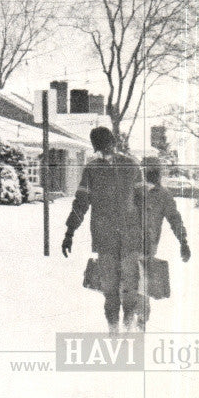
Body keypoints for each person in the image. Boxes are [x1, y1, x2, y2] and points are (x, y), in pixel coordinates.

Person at [61, 127, 143, 333]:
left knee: (127, 288)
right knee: (112, 290)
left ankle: (127, 325)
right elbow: (81, 203)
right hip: (107, 239)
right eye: (101, 145)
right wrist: (69, 232)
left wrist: (147, 236)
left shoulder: (131, 166)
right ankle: (115, 330)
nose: (105, 149)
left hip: (128, 238)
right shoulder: (93, 169)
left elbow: (144, 204)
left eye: (106, 143)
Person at [131, 156, 191, 330]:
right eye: (150, 172)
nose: (154, 175)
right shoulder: (132, 190)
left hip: (147, 246)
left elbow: (174, 218)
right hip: (126, 242)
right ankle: (132, 317)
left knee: (142, 281)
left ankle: (140, 320)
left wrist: (183, 241)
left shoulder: (163, 195)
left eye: (156, 172)